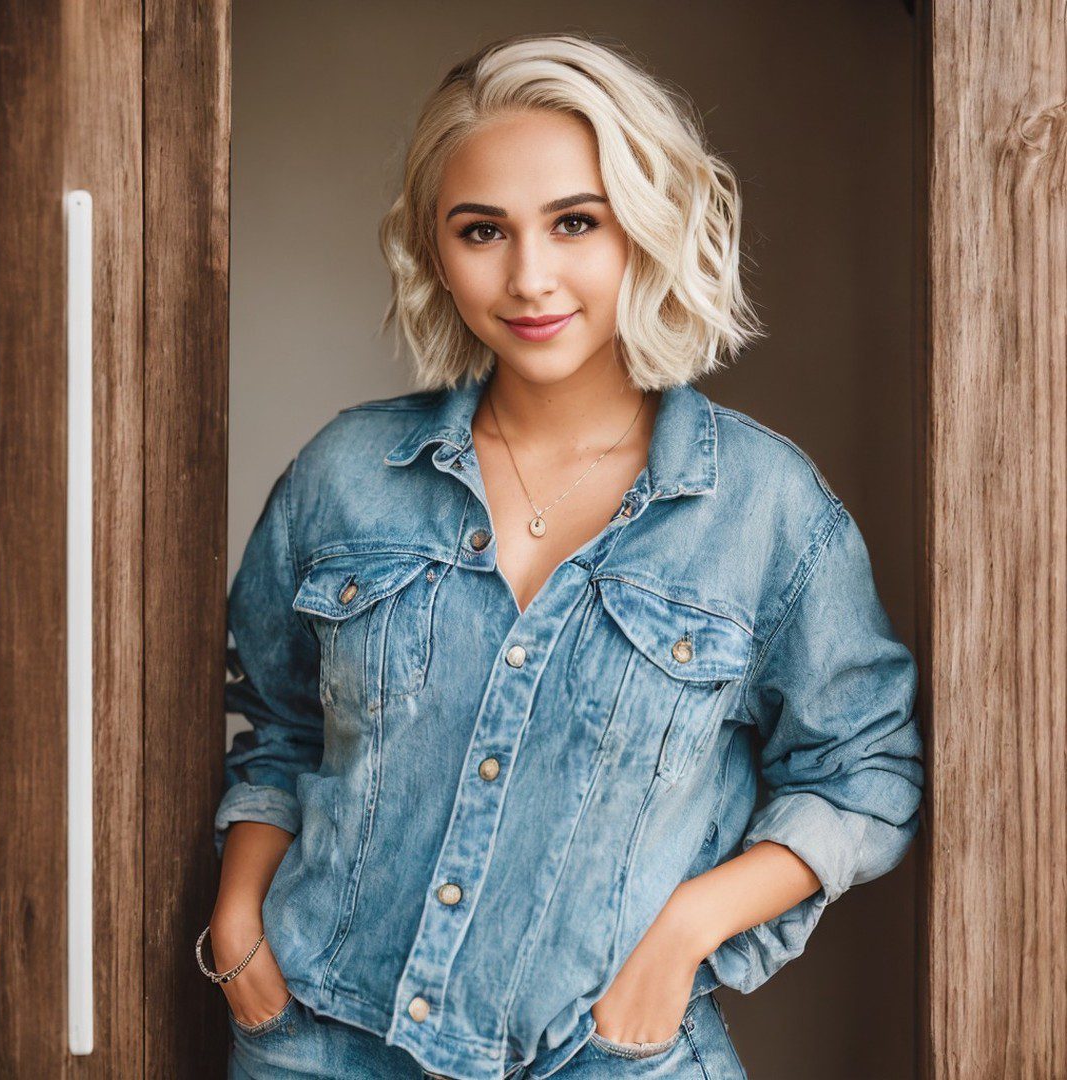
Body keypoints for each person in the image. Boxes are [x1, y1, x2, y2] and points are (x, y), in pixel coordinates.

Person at [198, 30, 925, 1080]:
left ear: (645, 225)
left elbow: (866, 774)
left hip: (609, 1053)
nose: (530, 275)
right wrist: (238, 929)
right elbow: (278, 727)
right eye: (482, 230)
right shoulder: (346, 474)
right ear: (436, 253)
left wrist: (684, 932)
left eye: (575, 222)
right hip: (316, 1040)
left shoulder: (766, 510)